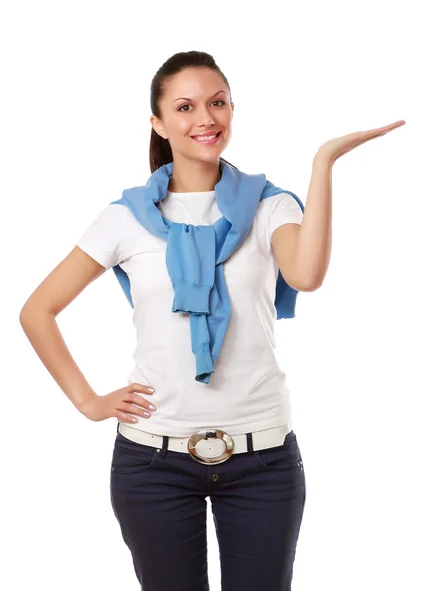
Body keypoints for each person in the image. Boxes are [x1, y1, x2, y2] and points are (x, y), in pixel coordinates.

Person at [20, 50, 309, 591]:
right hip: (154, 461)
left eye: (218, 103)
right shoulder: (126, 218)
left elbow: (308, 273)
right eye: (185, 106)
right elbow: (38, 310)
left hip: (263, 458)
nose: (206, 118)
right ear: (158, 122)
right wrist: (88, 401)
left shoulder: (273, 207)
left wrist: (323, 167)